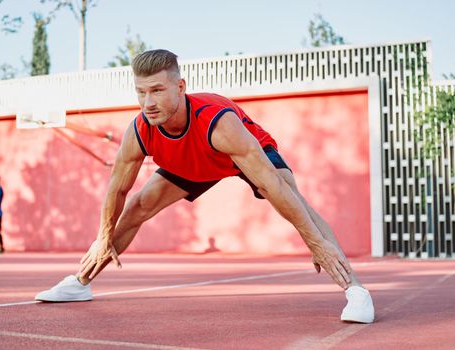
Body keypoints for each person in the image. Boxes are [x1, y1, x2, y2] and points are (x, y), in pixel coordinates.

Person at [35, 49, 374, 323]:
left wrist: (313, 242)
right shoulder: (140, 129)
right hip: (193, 161)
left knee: (297, 203)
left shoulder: (219, 122)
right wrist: (104, 236)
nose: (147, 102)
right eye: (141, 92)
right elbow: (117, 190)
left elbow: (272, 187)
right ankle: (80, 283)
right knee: (139, 205)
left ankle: (356, 291)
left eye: (157, 90)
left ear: (180, 87)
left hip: (242, 154)